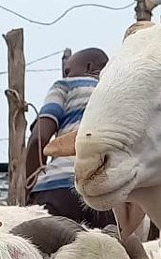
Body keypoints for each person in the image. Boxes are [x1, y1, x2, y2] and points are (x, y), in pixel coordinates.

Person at [24, 47, 115, 228]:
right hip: (104, 192)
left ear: (89, 67)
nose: (66, 75)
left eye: (67, 71)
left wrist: (29, 187)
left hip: (58, 188)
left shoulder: (65, 86)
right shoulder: (114, 95)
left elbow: (39, 138)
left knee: (46, 253)